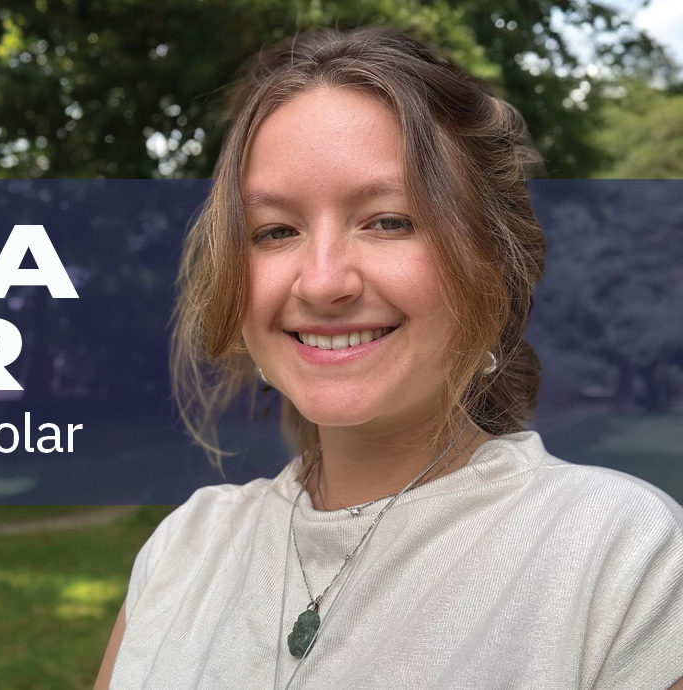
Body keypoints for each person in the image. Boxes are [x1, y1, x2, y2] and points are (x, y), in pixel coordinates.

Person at [94, 26, 683, 690]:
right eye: (275, 231)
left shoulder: (622, 560)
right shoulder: (183, 550)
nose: (321, 281)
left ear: (492, 261)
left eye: (389, 220)